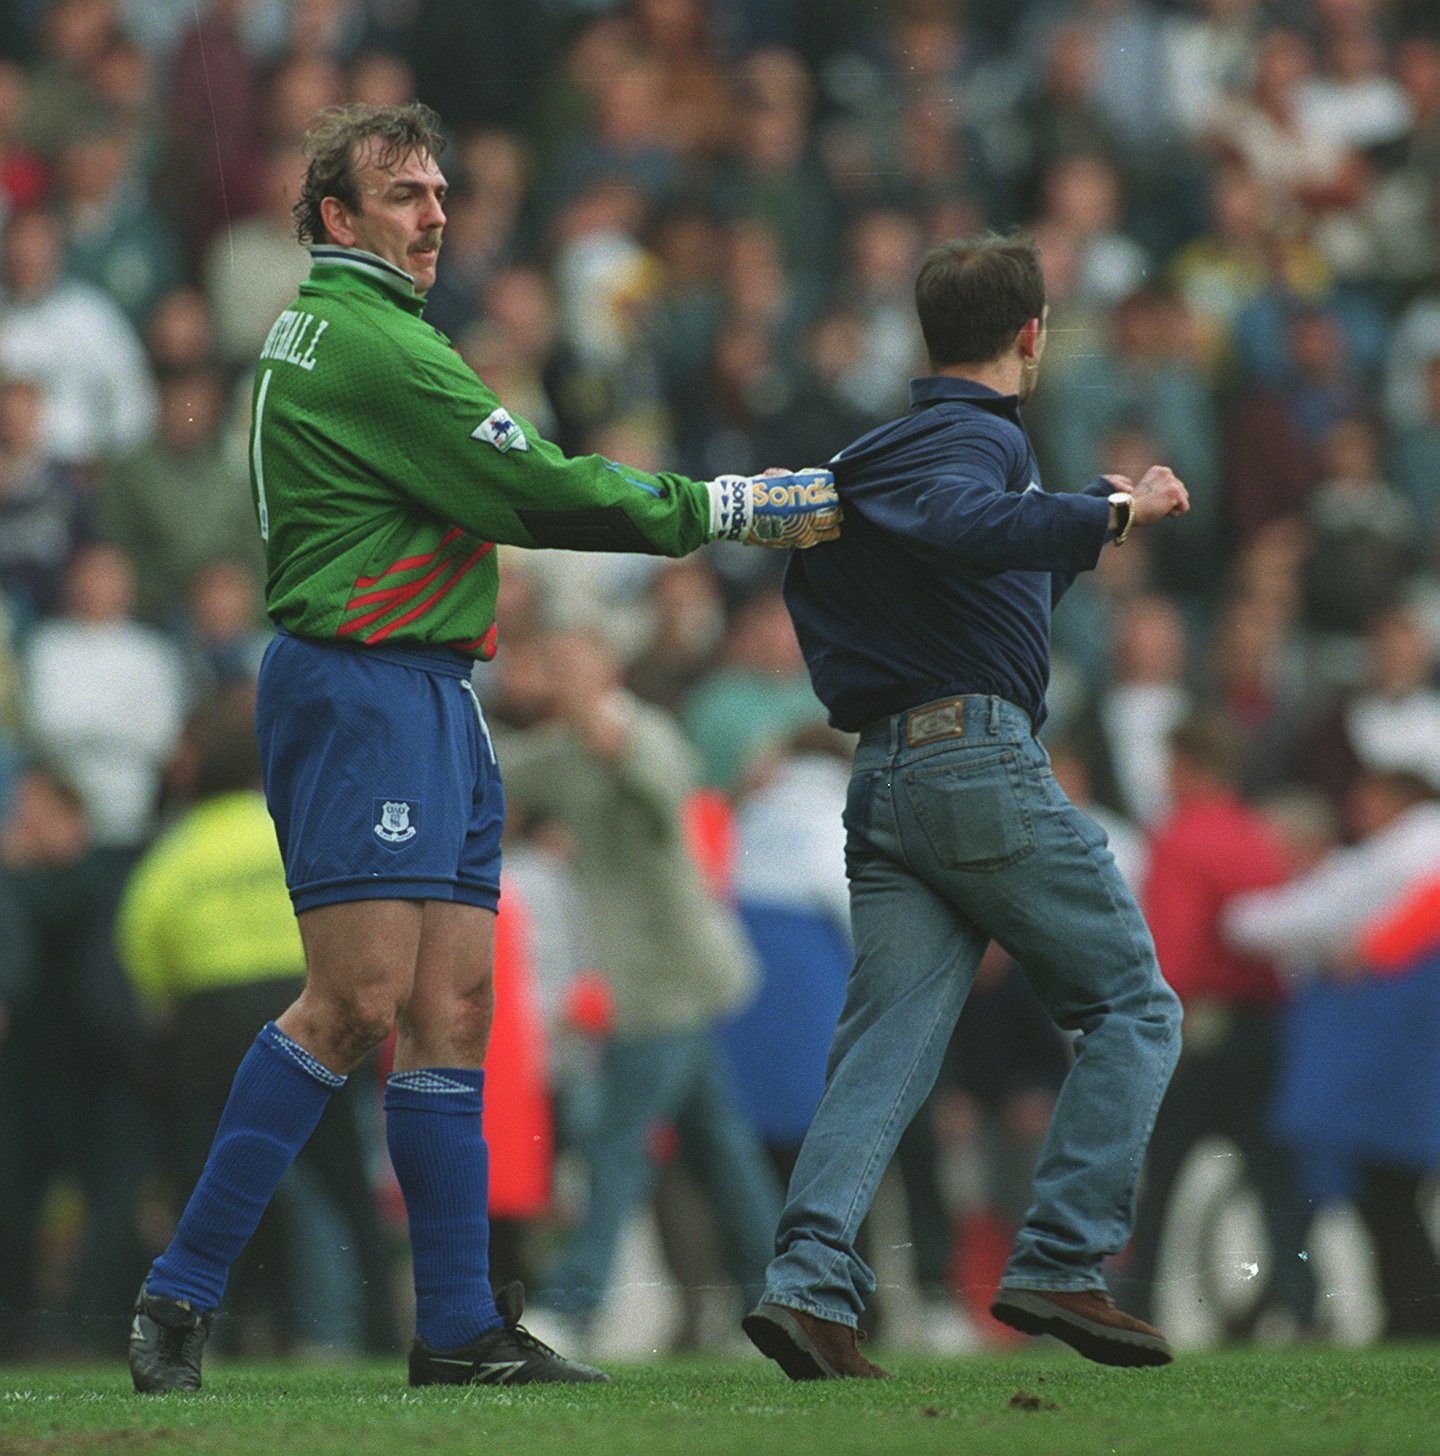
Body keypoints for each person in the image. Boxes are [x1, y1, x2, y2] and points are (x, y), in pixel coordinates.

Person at [126, 101, 840, 1396]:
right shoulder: (371, 342)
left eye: (441, 190)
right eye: (404, 193)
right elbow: (547, 490)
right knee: (356, 1004)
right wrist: (732, 505)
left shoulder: (359, 331)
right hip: (362, 682)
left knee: (454, 1006)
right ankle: (179, 1298)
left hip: (433, 684)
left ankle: (456, 1326)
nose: (436, 211)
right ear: (336, 219)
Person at [742, 232, 1189, 1381]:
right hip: (971, 757)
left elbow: (963, 559)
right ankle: (1060, 1256)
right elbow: (961, 525)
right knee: (1136, 1006)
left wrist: (1089, 506)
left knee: (885, 1049)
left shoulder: (879, 453)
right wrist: (1107, 517)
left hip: (884, 769)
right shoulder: (974, 437)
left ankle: (807, 1290)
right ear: (1032, 334)